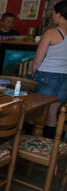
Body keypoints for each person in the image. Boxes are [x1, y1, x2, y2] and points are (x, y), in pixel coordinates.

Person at [32, 0, 67, 138]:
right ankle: (47, 149)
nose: (52, 16)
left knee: (36, 111)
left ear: (59, 14)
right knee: (53, 114)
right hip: (64, 78)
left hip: (47, 75)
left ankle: (29, 143)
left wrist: (34, 73)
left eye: (53, 13)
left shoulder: (51, 32)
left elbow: (37, 59)